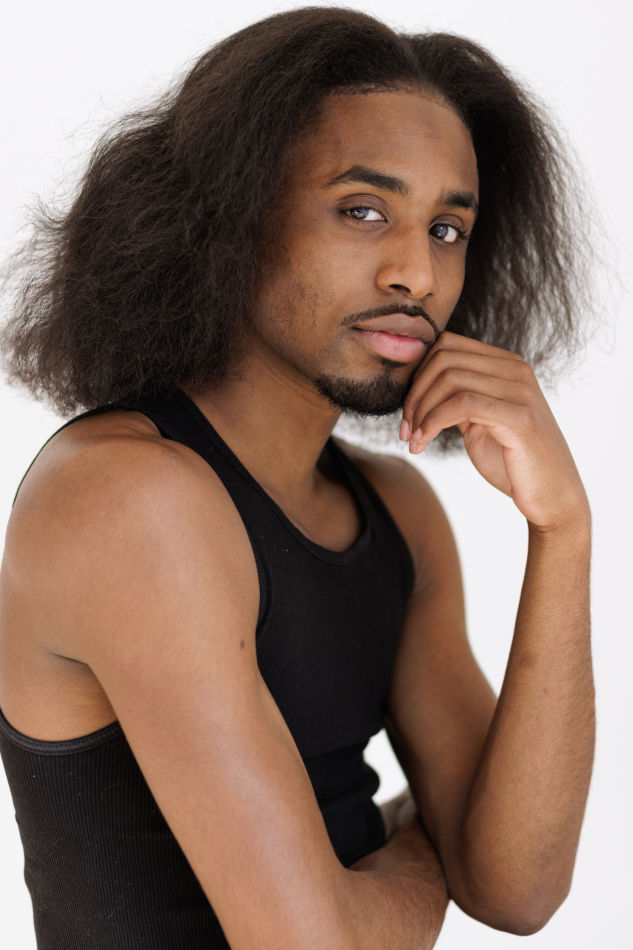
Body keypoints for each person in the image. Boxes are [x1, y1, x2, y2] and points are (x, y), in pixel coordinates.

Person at [0, 7, 595, 949]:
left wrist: (562, 529)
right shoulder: (127, 498)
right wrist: (425, 844)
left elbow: (518, 890)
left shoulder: (392, 512)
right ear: (230, 218)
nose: (416, 274)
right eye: (363, 211)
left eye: (448, 227)